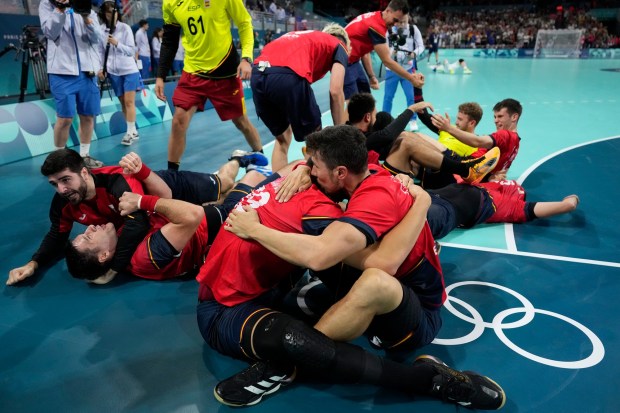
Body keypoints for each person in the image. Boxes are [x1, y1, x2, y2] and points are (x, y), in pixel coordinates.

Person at [197, 126, 505, 409]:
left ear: (340, 172)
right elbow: (332, 163)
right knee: (335, 252)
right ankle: (299, 356)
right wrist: (305, 168)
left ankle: (430, 380)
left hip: (413, 312)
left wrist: (256, 230)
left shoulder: (350, 203)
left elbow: (371, 262)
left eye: (314, 165)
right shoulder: (362, 175)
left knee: (357, 280)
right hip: (239, 294)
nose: (307, 169)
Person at [64, 168, 269, 283]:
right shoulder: (144, 255)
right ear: (103, 256)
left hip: (172, 198)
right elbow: (193, 215)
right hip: (219, 223)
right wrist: (140, 202)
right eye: (88, 237)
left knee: (226, 184)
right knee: (253, 176)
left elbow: (167, 198)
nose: (89, 228)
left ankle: (237, 162)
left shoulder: (119, 242)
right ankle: (243, 164)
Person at [6, 148, 150, 286]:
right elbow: (57, 236)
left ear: (84, 173)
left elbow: (138, 223)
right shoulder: (63, 202)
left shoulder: (117, 181)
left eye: (66, 180)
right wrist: (33, 263)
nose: (61, 190)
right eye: (54, 184)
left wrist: (113, 270)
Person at [155, 0, 264, 171]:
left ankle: (261, 157)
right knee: (178, 121)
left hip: (225, 73)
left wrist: (246, 58)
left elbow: (244, 22)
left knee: (241, 122)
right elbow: (169, 41)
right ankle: (172, 175)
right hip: (193, 72)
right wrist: (160, 75)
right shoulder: (170, 3)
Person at [251, 23, 350, 171]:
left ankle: (277, 188)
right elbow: (336, 91)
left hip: (257, 75)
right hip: (287, 75)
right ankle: (315, 186)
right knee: (315, 140)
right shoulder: (339, 45)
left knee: (283, 138)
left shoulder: (304, 37)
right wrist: (341, 133)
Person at [346, 93, 500, 184]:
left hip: (424, 164)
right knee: (407, 139)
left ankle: (468, 168)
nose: (457, 122)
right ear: (367, 117)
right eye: (373, 113)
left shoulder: (357, 129)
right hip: (379, 179)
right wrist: (411, 109)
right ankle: (465, 169)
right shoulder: (353, 138)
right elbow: (386, 136)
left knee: (407, 134)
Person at [39, 0, 104, 168]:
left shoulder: (85, 5)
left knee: (88, 116)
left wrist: (86, 18)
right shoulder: (48, 3)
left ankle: (85, 155)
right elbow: (50, 32)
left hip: (88, 71)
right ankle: (58, 158)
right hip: (62, 71)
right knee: (65, 118)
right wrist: (60, 9)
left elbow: (97, 38)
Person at [426, 180, 580, 240]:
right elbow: (568, 205)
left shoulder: (515, 206)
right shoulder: (514, 205)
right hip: (433, 199)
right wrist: (571, 199)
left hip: (441, 206)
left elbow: (568, 206)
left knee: (412, 220)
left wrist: (572, 200)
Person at [343, 0, 424, 100]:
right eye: (395, 20)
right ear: (388, 11)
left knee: (367, 100)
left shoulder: (376, 16)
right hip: (344, 61)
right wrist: (411, 79)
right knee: (352, 105)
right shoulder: (376, 27)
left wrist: (371, 76)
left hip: (353, 61)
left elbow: (364, 50)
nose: (395, 24)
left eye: (399, 21)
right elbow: (387, 61)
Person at [430, 98, 522, 184]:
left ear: (514, 117)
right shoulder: (517, 142)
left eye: (500, 116)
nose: (495, 121)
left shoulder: (504, 135)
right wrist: (489, 177)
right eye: (495, 117)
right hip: (470, 173)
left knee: (420, 142)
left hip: (463, 170)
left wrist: (448, 128)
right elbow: (502, 170)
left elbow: (477, 141)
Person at [97, 1, 141, 146]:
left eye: (114, 12)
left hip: (129, 70)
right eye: (109, 12)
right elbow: (100, 52)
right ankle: (133, 130)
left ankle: (128, 133)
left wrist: (117, 43)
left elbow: (131, 50)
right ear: (104, 14)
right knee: (123, 103)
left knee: (129, 102)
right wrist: (101, 68)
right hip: (113, 72)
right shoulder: (101, 30)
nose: (112, 15)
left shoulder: (125, 28)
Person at [382, 13, 425, 131]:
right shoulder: (389, 32)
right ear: (395, 21)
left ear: (408, 19)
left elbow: (421, 46)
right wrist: (393, 52)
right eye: (400, 22)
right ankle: (384, 121)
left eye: (404, 22)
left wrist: (414, 53)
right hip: (392, 69)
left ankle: (413, 120)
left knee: (411, 96)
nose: (402, 24)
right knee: (388, 97)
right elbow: (385, 52)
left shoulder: (413, 29)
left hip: (408, 69)